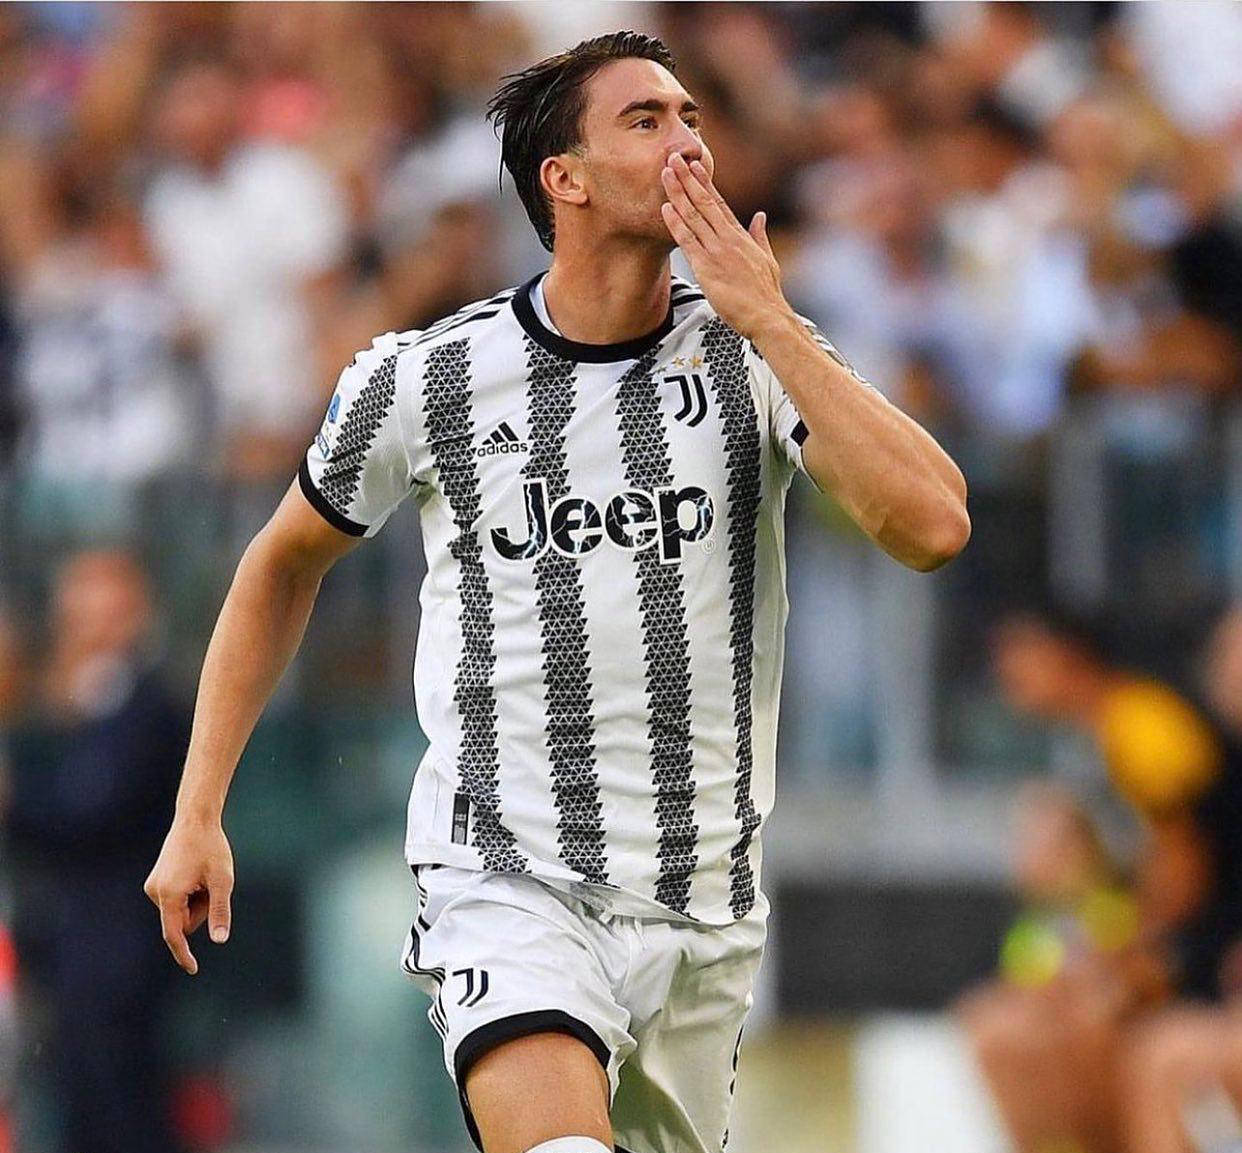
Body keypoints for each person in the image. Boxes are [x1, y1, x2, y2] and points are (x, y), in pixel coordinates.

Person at [144, 31, 969, 1153]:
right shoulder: (425, 375)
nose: (688, 143)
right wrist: (198, 811)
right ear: (564, 179)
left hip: (702, 907)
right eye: (647, 119)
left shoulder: (753, 354)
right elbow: (280, 561)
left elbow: (933, 528)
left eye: (692, 118)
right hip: (507, 878)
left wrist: (772, 321)